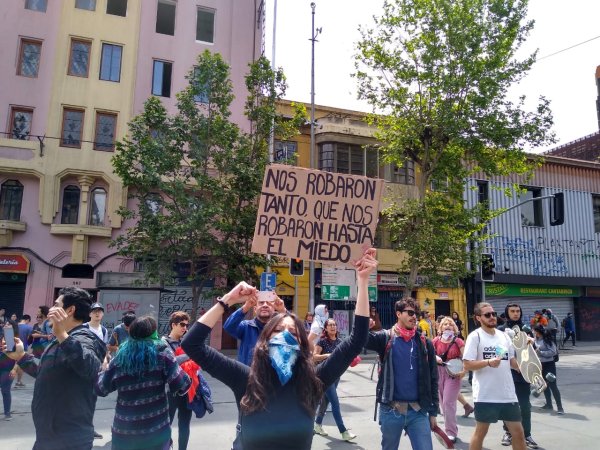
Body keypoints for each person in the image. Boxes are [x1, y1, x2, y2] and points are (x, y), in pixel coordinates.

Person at [181, 248, 377, 450]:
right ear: (265, 340)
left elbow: (356, 340)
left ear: (301, 344)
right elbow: (191, 344)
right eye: (277, 331)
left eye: (292, 333)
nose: (284, 336)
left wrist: (362, 281)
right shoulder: (246, 379)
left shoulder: (313, 382)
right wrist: (228, 299)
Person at [5, 287, 107, 449]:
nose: (51, 309)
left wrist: (61, 334)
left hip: (69, 439)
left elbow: (91, 368)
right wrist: (21, 356)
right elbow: (45, 373)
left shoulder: (86, 338)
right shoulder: (59, 340)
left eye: (56, 304)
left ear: (70, 310)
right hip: (48, 436)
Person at [96, 315, 191, 450]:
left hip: (125, 434)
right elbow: (182, 385)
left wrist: (102, 369)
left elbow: (101, 389)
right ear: (153, 333)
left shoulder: (120, 358)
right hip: (156, 433)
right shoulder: (163, 353)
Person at [366, 297, 439, 450]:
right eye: (410, 312)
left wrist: (433, 411)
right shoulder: (386, 338)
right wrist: (364, 327)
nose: (414, 317)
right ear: (398, 314)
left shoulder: (425, 343)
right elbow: (361, 340)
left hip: (418, 411)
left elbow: (433, 378)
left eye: (416, 313)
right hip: (391, 410)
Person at [463, 302, 526, 450]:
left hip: (508, 394)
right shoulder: (475, 336)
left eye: (493, 314)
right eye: (487, 315)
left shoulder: (504, 336)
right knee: (481, 433)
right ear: (479, 318)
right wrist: (488, 362)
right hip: (486, 395)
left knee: (518, 433)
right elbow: (467, 364)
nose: (492, 317)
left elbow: (512, 362)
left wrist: (528, 364)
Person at [498, 302, 538, 449]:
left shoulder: (526, 330)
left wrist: (531, 343)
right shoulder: (501, 330)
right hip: (506, 374)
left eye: (518, 311)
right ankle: (508, 432)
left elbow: (533, 353)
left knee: (525, 406)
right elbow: (498, 352)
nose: (516, 313)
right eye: (512, 311)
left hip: (523, 374)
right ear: (507, 313)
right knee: (508, 405)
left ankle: (527, 434)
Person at [313, 318, 356, 441]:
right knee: (335, 403)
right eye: (330, 325)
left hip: (336, 376)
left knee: (325, 401)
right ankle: (343, 431)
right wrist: (327, 356)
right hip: (324, 377)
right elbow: (314, 357)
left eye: (334, 325)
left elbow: (345, 357)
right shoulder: (322, 342)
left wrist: (353, 358)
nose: (333, 327)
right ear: (325, 328)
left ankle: (317, 425)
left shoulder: (340, 342)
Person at [223, 291, 287, 366]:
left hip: (272, 376)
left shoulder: (280, 328)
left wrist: (283, 311)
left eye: (269, 303)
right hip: (248, 375)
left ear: (274, 309)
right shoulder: (246, 326)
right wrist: (245, 307)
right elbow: (228, 327)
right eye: (261, 303)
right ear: (255, 309)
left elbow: (297, 332)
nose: (265, 305)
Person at [433, 317, 469, 443]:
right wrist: (435, 356)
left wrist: (464, 371)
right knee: (443, 403)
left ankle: (451, 432)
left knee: (448, 402)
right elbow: (427, 353)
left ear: (454, 328)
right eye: (445, 324)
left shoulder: (458, 341)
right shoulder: (436, 341)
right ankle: (450, 428)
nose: (448, 326)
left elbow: (467, 358)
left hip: (453, 374)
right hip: (438, 373)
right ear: (440, 328)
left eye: (450, 324)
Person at [163, 311, 194, 450]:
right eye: (182, 325)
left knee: (185, 424)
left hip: (188, 390)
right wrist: (189, 355)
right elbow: (172, 362)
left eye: (187, 325)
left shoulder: (186, 342)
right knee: (166, 424)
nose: (185, 328)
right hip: (171, 392)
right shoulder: (164, 343)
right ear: (173, 325)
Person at [534, 325, 564, 414]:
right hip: (540, 365)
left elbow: (553, 352)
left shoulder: (547, 340)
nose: (533, 332)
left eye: (534, 330)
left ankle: (560, 407)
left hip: (549, 365)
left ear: (538, 331)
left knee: (553, 386)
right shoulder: (535, 340)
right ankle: (549, 404)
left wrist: (541, 352)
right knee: (544, 385)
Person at [1, 320, 18, 420]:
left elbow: (18, 356)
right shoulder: (2, 336)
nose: (6, 325)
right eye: (5, 324)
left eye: (8, 324)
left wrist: (14, 369)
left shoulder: (14, 339)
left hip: (8, 368)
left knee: (5, 390)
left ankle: (7, 414)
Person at [14, 315, 33, 387]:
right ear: (27, 320)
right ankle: (18, 381)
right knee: (21, 365)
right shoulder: (29, 327)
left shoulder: (14, 325)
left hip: (12, 347)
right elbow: (30, 339)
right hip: (22, 348)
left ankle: (18, 381)